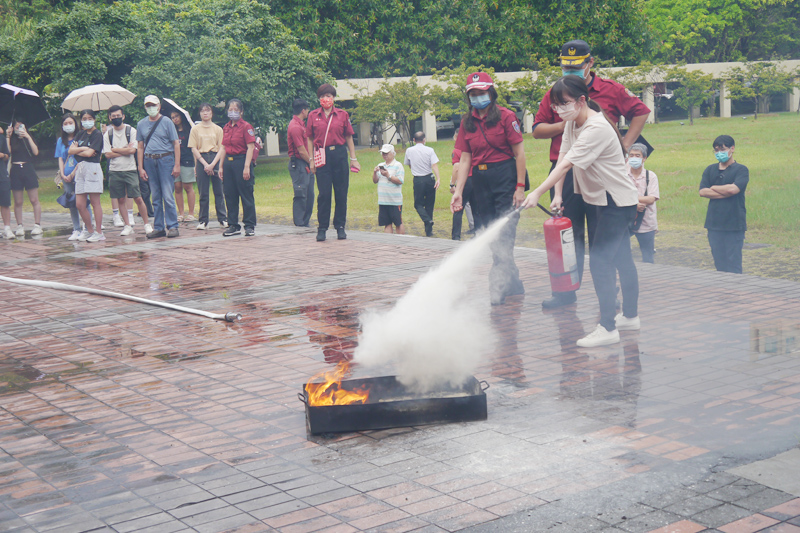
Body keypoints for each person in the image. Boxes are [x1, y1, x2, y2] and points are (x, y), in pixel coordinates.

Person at [522, 76, 641, 348]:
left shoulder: (596, 127)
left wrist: (538, 192)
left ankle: (608, 327)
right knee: (622, 258)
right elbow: (562, 159)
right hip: (601, 200)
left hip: (617, 202)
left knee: (600, 261)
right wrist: (559, 194)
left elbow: (566, 166)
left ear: (581, 100)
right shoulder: (572, 124)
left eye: (564, 104)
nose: (559, 110)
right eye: (556, 105)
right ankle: (630, 317)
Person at [532, 39, 651, 309]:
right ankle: (565, 291)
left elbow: (641, 111)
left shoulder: (610, 89)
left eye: (577, 66)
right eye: (565, 66)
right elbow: (539, 130)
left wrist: (625, 145)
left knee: (604, 242)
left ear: (590, 63)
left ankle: (610, 297)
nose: (570, 71)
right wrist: (566, 122)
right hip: (564, 174)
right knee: (567, 235)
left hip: (600, 178)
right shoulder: (560, 93)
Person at [450, 72, 526, 306]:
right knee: (489, 231)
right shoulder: (467, 122)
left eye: (481, 92)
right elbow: (464, 160)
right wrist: (458, 191)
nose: (477, 97)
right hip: (480, 179)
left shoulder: (506, 116)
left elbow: (519, 153)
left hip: (505, 175)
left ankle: (498, 284)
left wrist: (520, 187)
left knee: (505, 232)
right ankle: (513, 282)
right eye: (473, 94)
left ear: (490, 93)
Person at [306, 83, 361, 241]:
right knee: (324, 194)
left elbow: (349, 136)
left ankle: (340, 226)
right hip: (321, 156)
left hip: (339, 155)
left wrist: (353, 158)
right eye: (322, 96)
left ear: (334, 98)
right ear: (319, 99)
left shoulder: (342, 115)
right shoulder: (313, 115)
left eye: (328, 96)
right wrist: (311, 160)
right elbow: (309, 138)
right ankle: (322, 227)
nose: (325, 99)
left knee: (341, 193)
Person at [699, 135, 748, 274]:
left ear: (732, 148)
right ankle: (723, 293)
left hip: (734, 224)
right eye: (716, 150)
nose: (719, 153)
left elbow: (734, 189)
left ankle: (736, 292)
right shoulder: (710, 170)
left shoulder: (741, 170)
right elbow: (702, 192)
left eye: (722, 149)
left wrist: (713, 187)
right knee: (719, 264)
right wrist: (725, 191)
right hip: (714, 224)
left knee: (734, 264)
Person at [104, 105, 152, 237]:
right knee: (120, 199)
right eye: (113, 116)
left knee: (138, 197)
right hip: (114, 170)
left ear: (123, 116)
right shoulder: (107, 134)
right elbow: (107, 155)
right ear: (109, 118)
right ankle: (127, 225)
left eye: (118, 116)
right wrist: (123, 149)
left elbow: (132, 151)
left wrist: (115, 149)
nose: (116, 118)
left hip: (130, 169)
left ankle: (147, 224)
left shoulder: (131, 130)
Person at [137, 95, 180, 239]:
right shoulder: (141, 124)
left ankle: (173, 226)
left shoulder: (167, 121)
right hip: (149, 161)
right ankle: (159, 227)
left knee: (168, 195)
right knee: (155, 196)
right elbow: (140, 146)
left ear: (159, 106)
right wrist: (140, 167)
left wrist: (177, 165)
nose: (151, 108)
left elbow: (175, 144)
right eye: (148, 105)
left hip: (165, 159)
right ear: (144, 107)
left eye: (153, 105)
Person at [219, 98, 256, 237]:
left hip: (242, 161)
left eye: (235, 110)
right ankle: (233, 224)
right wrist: (221, 166)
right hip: (229, 162)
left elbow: (250, 147)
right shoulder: (226, 127)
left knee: (246, 194)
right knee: (229, 194)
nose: (232, 112)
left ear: (241, 111)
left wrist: (247, 167)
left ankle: (249, 225)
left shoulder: (246, 127)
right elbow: (223, 147)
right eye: (230, 109)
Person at [189, 103, 226, 230]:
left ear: (212, 113)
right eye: (203, 111)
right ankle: (203, 220)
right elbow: (193, 148)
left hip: (215, 158)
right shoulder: (195, 129)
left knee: (219, 191)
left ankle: (223, 218)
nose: (205, 113)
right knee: (203, 192)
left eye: (208, 111)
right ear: (199, 113)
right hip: (201, 159)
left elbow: (222, 148)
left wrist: (213, 164)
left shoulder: (218, 129)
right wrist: (204, 164)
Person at [69, 109, 105, 242]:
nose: (87, 121)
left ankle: (99, 232)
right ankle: (89, 230)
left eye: (90, 118)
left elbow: (91, 154)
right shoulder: (80, 134)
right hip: (80, 168)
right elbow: (71, 151)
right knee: (79, 203)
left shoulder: (97, 134)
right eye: (84, 118)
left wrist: (80, 151)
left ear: (94, 119)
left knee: (95, 202)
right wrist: (84, 149)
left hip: (92, 168)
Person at [55, 113, 89, 240]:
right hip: (66, 176)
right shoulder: (60, 141)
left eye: (71, 123)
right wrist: (63, 174)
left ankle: (87, 227)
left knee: (84, 202)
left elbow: (81, 158)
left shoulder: (80, 138)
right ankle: (76, 229)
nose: (68, 126)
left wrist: (73, 173)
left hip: (79, 173)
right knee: (71, 202)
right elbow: (60, 158)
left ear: (75, 124)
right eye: (65, 124)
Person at [7, 120, 42, 237]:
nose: (18, 128)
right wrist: (8, 136)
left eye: (21, 125)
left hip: (28, 167)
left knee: (34, 199)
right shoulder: (12, 138)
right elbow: (8, 153)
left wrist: (27, 136)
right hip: (16, 168)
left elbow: (35, 152)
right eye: (16, 126)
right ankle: (19, 226)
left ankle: (37, 225)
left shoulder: (28, 137)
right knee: (18, 201)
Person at [404, 131, 440, 236]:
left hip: (418, 180)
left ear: (414, 140)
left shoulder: (409, 150)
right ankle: (429, 230)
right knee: (429, 205)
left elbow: (408, 164)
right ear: (424, 140)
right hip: (430, 178)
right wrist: (438, 178)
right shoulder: (430, 150)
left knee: (418, 204)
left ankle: (427, 220)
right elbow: (434, 165)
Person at [627, 143, 659, 263]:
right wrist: (635, 205)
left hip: (646, 222)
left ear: (644, 158)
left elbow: (651, 199)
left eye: (637, 155)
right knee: (623, 253)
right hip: (626, 220)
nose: (634, 158)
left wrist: (630, 199)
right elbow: (616, 196)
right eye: (631, 155)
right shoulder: (623, 175)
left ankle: (650, 277)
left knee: (648, 255)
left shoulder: (651, 176)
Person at [287, 98, 314, 227]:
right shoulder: (295, 127)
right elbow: (301, 150)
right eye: (307, 109)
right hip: (299, 164)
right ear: (303, 110)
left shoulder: (302, 125)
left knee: (309, 194)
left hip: (306, 163)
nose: (308, 112)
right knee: (301, 193)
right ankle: (300, 223)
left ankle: (305, 222)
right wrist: (311, 161)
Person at [450, 130, 479, 240]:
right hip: (476, 180)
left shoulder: (457, 151)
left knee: (458, 208)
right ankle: (478, 233)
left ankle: (456, 235)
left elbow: (456, 167)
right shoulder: (473, 148)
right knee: (476, 209)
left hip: (465, 181)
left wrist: (452, 184)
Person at [372, 143, 405, 234]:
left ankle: (401, 242)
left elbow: (400, 180)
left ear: (393, 153)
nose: (384, 155)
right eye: (383, 153)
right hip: (383, 200)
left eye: (386, 153)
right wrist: (375, 173)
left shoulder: (398, 165)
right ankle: (389, 243)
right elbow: (375, 181)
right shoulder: (381, 165)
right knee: (387, 223)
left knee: (398, 222)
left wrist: (388, 176)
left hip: (394, 200)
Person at [171, 110, 196, 222]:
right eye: (173, 117)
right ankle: (181, 213)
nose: (175, 119)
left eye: (177, 116)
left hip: (188, 161)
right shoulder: (172, 131)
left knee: (188, 186)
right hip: (175, 162)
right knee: (177, 187)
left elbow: (194, 147)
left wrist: (195, 164)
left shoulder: (189, 130)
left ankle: (191, 213)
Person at [0, 126, 12, 240]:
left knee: (5, 202)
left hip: (2, 174)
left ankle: (7, 228)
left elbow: (7, 155)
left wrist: (2, 155)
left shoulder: (1, 138)